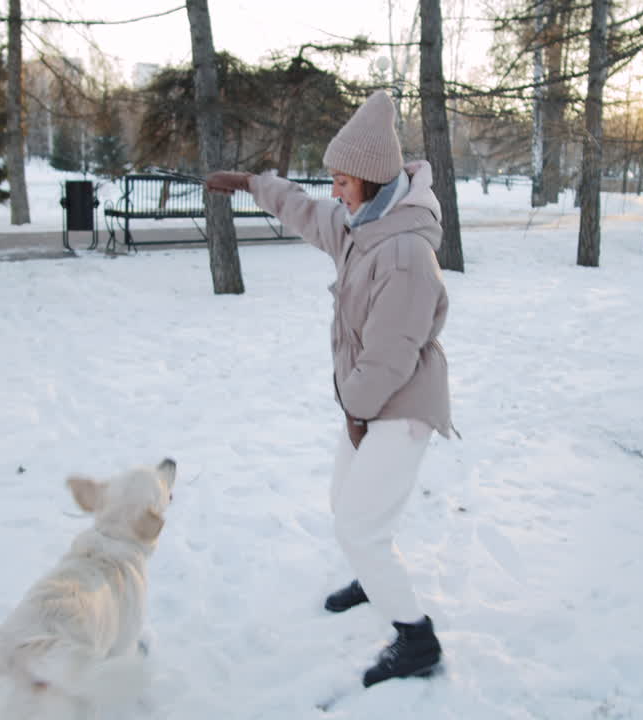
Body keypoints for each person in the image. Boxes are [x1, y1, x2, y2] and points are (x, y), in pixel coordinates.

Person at [205, 90, 454, 688]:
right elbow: (302, 209)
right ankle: (374, 580)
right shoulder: (359, 225)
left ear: (369, 179)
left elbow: (391, 357)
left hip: (400, 406)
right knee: (348, 505)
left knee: (359, 527)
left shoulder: (403, 253)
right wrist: (251, 182)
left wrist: (358, 413)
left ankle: (416, 637)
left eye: (343, 180)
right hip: (367, 403)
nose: (335, 190)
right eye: (334, 179)